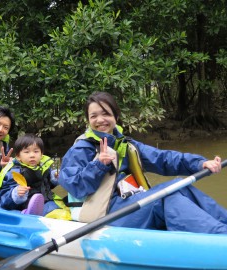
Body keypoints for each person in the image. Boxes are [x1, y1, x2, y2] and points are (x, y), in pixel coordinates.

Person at [58, 91, 226, 234]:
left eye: (106, 114)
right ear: (88, 120)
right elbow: (75, 186)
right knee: (166, 197)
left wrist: (199, 164)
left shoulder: (126, 144)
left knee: (179, 186)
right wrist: (99, 165)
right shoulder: (81, 149)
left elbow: (163, 158)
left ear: (116, 116)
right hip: (104, 213)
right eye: (93, 116)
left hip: (128, 202)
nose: (100, 120)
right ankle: (219, 237)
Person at [0, 134, 61, 216]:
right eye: (27, 152)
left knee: (60, 211)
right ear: (18, 156)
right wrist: (16, 193)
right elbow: (3, 195)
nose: (32, 155)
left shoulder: (44, 166)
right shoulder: (14, 172)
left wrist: (54, 177)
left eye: (36, 151)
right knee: (53, 213)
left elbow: (47, 185)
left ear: (41, 154)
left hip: (47, 201)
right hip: (23, 206)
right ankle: (28, 213)